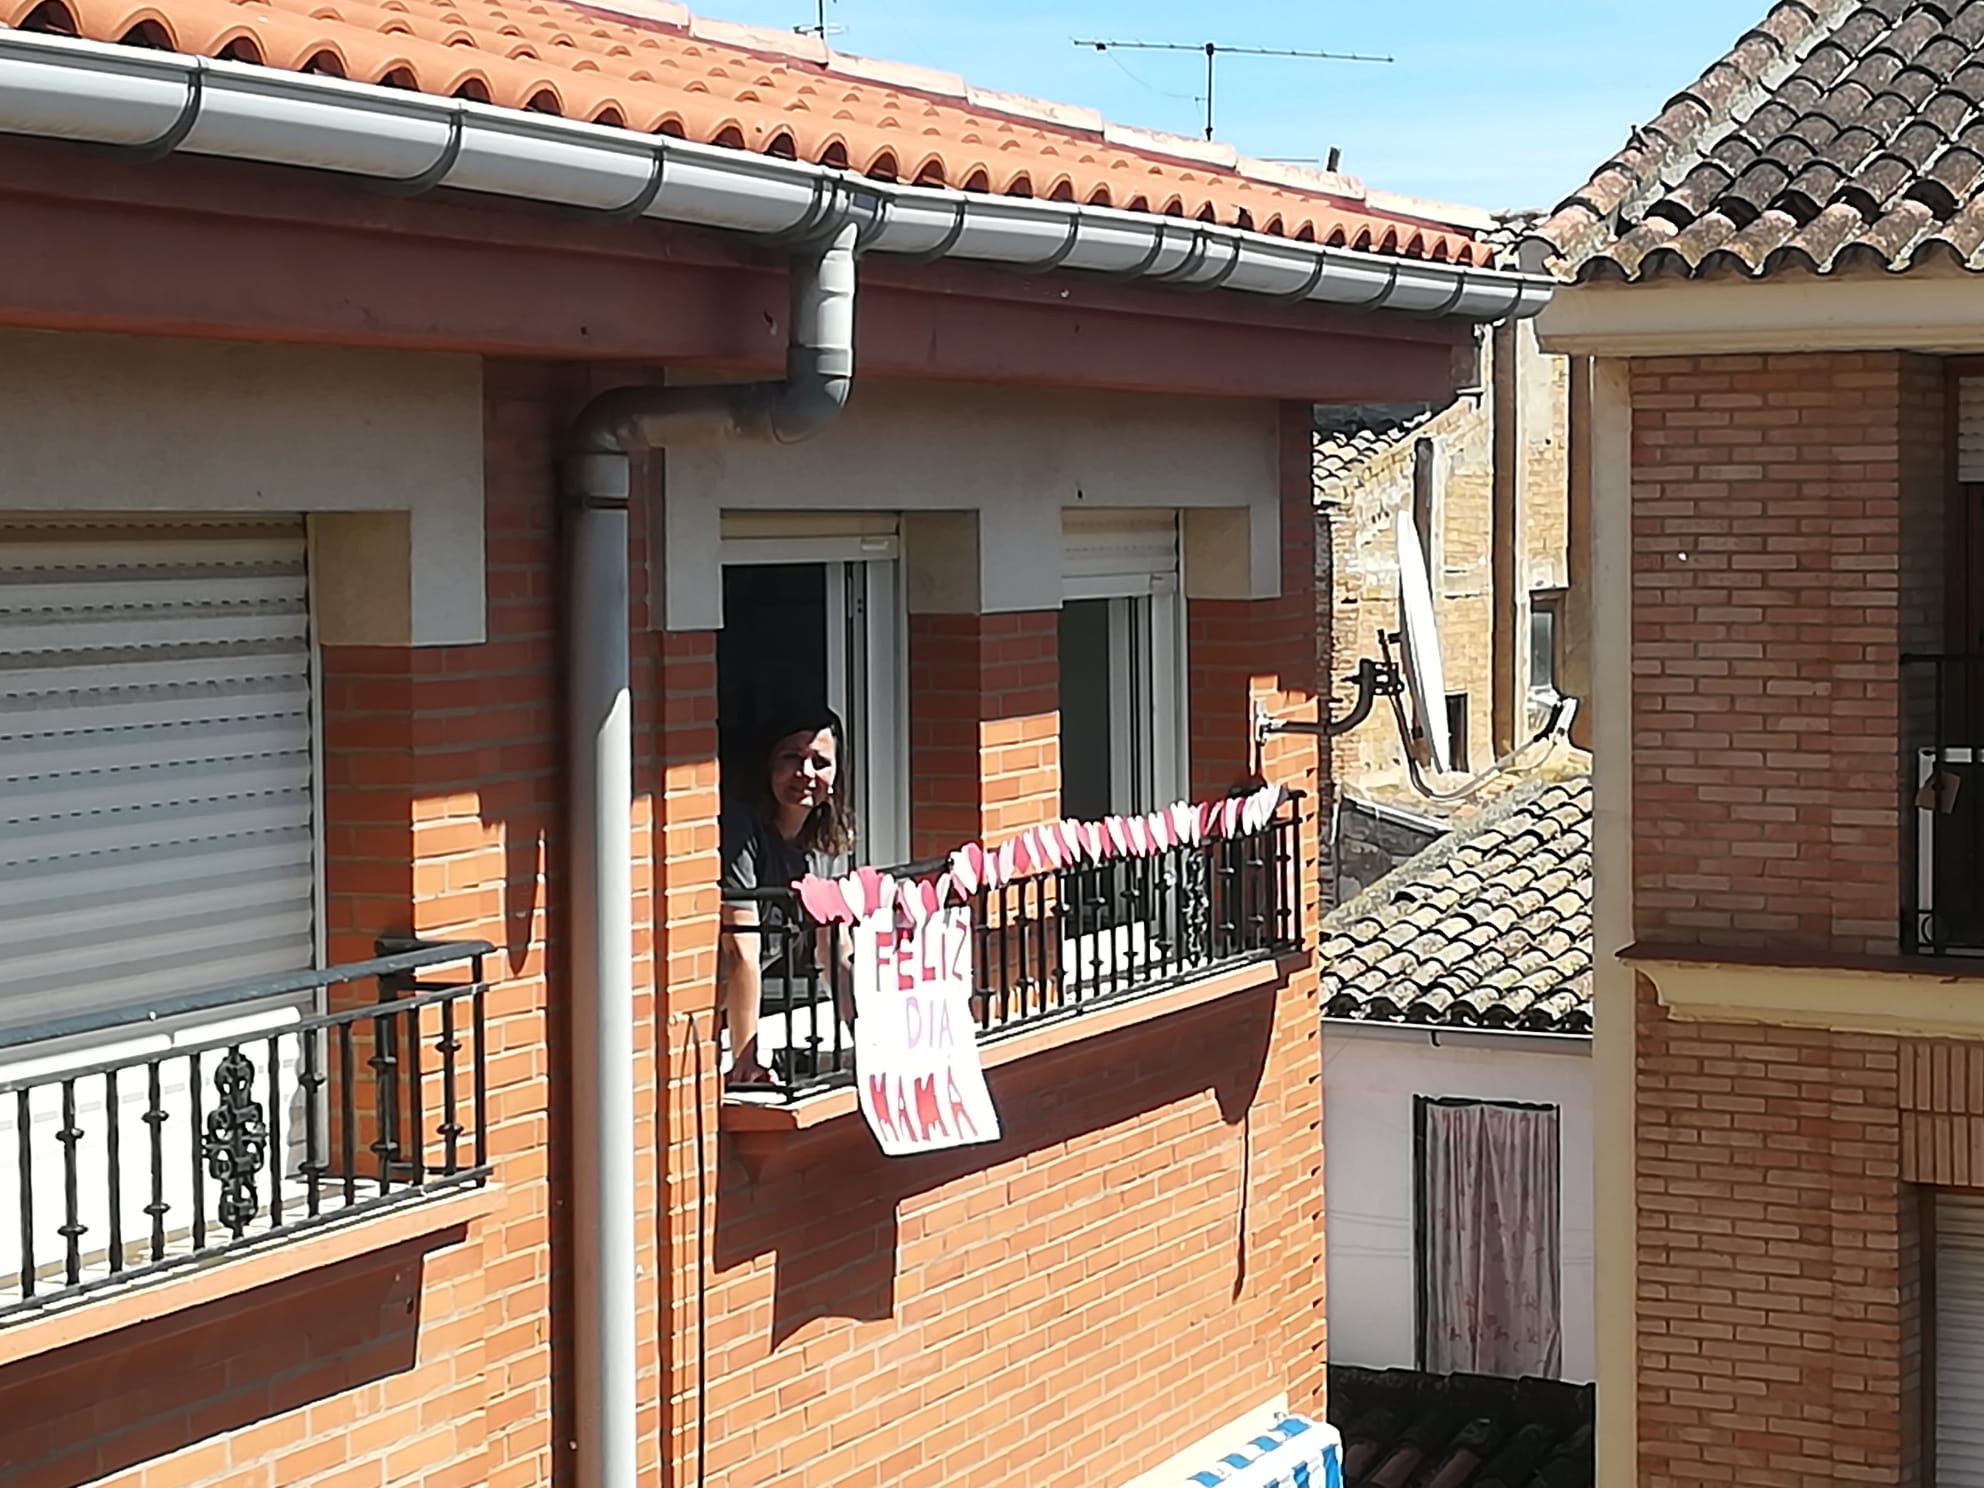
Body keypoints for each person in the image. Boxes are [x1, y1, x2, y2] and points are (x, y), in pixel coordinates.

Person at [717, 703, 857, 1088]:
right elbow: (740, 949)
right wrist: (747, 1060)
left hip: (723, 1020)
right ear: (767, 764)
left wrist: (865, 1036)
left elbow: (832, 948)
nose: (806, 774)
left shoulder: (823, 841)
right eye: (791, 758)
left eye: (820, 762)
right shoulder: (740, 827)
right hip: (688, 1018)